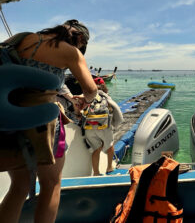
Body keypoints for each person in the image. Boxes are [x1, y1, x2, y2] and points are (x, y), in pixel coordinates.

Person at [0, 19, 97, 223]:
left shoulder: (21, 38)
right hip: (42, 125)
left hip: (9, 123)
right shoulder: (70, 51)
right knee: (51, 183)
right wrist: (85, 101)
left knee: (19, 187)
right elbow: (91, 90)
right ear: (79, 38)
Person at [82, 78, 123, 176]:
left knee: (96, 149)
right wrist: (116, 124)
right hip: (104, 127)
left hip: (89, 128)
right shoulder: (106, 97)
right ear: (104, 87)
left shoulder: (87, 97)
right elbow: (117, 112)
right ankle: (109, 167)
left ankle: (96, 172)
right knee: (110, 146)